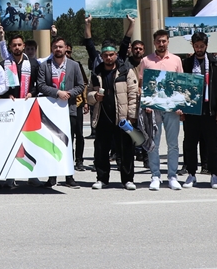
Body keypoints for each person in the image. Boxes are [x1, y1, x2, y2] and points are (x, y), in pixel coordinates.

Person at [86, 42, 138, 190]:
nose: (108, 58)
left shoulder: (125, 71)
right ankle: (102, 178)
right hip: (103, 117)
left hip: (122, 118)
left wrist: (132, 115)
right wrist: (94, 96)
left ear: (115, 55)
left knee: (126, 149)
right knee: (101, 150)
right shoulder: (96, 73)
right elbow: (88, 93)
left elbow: (133, 94)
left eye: (111, 55)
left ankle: (127, 179)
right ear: (102, 57)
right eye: (105, 55)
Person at [36, 36, 85, 187]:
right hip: (50, 110)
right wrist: (57, 93)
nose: (58, 49)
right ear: (52, 49)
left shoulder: (74, 65)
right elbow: (41, 85)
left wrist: (69, 93)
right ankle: (52, 177)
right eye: (55, 47)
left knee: (68, 142)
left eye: (61, 47)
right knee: (52, 143)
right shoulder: (45, 66)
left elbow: (81, 85)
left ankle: (69, 177)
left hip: (69, 109)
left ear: (66, 49)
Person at [139, 30, 183, 191]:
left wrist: (180, 106)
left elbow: (180, 85)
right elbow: (142, 85)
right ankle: (155, 175)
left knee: (173, 144)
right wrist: (146, 103)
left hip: (171, 108)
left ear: (168, 42)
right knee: (153, 144)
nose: (161, 44)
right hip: (154, 108)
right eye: (158, 41)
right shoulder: (146, 60)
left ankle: (172, 175)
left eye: (164, 41)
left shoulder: (176, 60)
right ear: (154, 42)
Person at [181, 32, 217, 189]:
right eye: (197, 46)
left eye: (202, 46)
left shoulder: (215, 63)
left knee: (212, 143)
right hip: (192, 109)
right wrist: (182, 109)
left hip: (209, 109)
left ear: (206, 46)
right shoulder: (186, 63)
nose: (199, 49)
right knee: (190, 143)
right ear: (193, 46)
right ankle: (191, 174)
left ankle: (214, 174)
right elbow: (181, 87)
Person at [0, 30, 38, 101]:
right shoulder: (3, 65)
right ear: (10, 47)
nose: (17, 47)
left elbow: (39, 83)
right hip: (9, 102)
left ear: (23, 46)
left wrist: (32, 93)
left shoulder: (33, 64)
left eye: (19, 45)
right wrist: (7, 95)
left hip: (28, 101)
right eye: (14, 45)